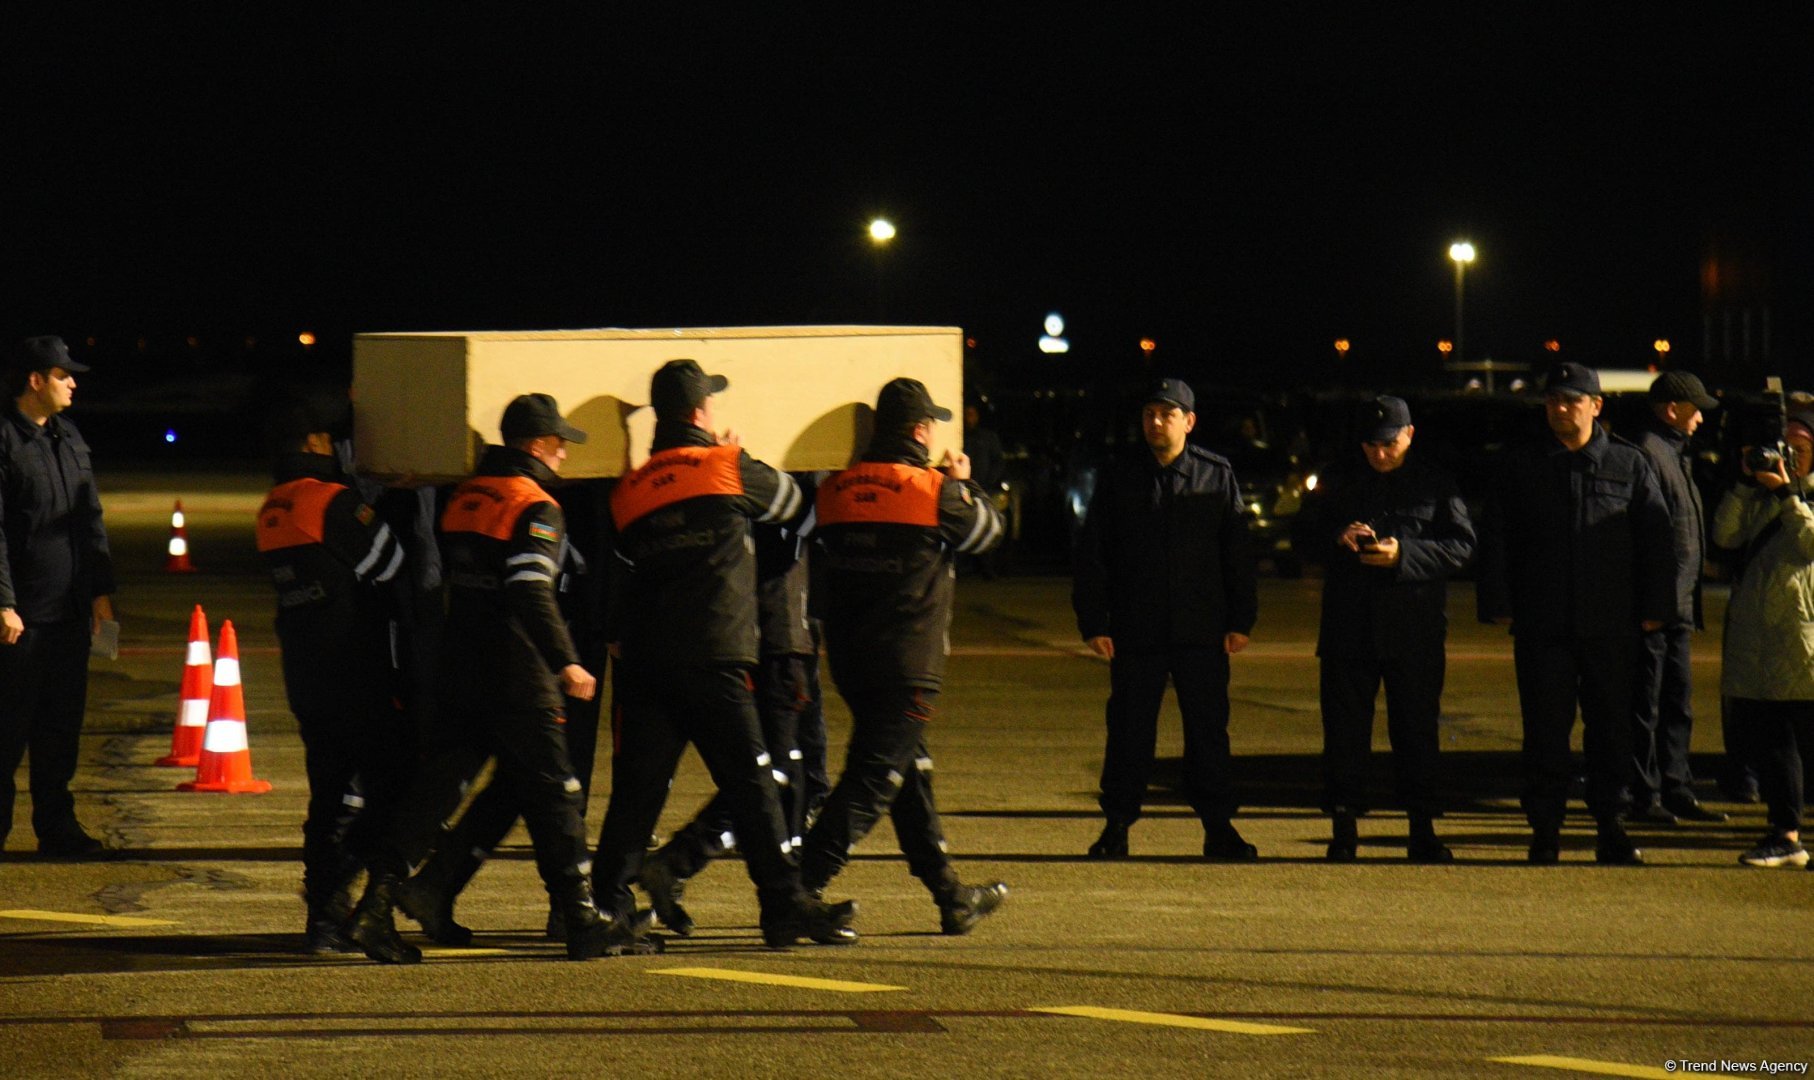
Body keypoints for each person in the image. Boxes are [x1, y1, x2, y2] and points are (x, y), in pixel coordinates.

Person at [346, 394, 647, 963]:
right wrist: (567, 661)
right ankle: (582, 919)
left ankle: (376, 908)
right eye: (557, 443)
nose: (563, 454)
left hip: (460, 671)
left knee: (432, 799)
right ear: (536, 445)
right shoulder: (535, 507)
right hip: (516, 676)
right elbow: (530, 590)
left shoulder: (466, 497)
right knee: (558, 795)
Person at [590, 360, 855, 949]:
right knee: (753, 784)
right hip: (715, 654)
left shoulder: (629, 489)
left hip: (648, 660)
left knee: (638, 792)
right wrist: (738, 458)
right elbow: (800, 510)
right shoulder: (726, 467)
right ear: (701, 412)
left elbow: (627, 558)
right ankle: (783, 905)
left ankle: (608, 905)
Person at [795, 378, 1008, 935]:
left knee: (908, 772)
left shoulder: (836, 487)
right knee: (872, 780)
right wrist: (965, 486)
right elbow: (989, 533)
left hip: (850, 657)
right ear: (920, 430)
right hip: (907, 662)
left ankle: (949, 894)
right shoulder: (931, 490)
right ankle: (798, 890)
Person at [1477, 362, 1674, 865]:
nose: (1560, 410)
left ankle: (1612, 826)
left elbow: (1656, 540)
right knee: (1545, 730)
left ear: (1595, 406)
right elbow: (1499, 537)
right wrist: (1498, 603)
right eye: (1553, 401)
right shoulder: (1522, 464)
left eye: (1570, 400)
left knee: (1612, 730)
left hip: (1612, 625)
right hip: (1544, 625)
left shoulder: (1628, 464)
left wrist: (1656, 609)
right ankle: (1546, 830)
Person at [1072, 377, 1260, 861]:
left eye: (1167, 414)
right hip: (1138, 628)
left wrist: (1242, 618)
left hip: (1202, 629)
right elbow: (1095, 552)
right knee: (1130, 732)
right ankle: (1116, 826)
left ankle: (1219, 828)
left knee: (1208, 732)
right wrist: (1095, 620)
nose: (1156, 422)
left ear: (1189, 422)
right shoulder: (1120, 476)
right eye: (1150, 414)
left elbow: (1237, 551)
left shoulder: (1216, 475)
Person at [254, 392, 410, 951]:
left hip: (307, 673)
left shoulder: (274, 506)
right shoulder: (332, 504)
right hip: (357, 670)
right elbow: (393, 569)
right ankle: (349, 899)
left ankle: (323, 920)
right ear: (316, 442)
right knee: (388, 793)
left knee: (331, 796)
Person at [637, 486, 821, 937]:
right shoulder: (760, 483)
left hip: (789, 635)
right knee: (770, 776)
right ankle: (685, 863)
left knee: (800, 779)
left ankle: (786, 899)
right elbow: (808, 520)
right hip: (775, 636)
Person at [1309, 396, 1475, 862]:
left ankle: (1421, 829)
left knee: (1417, 733)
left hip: (1413, 629)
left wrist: (1405, 555)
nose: (1379, 454)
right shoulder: (1340, 480)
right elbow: (1302, 534)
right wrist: (1337, 536)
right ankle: (1344, 829)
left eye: (1388, 444)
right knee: (1344, 734)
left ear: (1408, 436)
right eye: (1370, 445)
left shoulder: (1434, 484)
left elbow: (1461, 546)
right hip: (1349, 628)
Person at [0, 335, 116, 858]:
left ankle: (58, 828)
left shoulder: (68, 437)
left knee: (59, 731)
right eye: (62, 374)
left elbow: (89, 520)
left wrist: (100, 591)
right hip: (20, 619)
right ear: (34, 380)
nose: (72, 382)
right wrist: (3, 601)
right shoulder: (5, 439)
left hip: (68, 614)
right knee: (7, 732)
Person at [1711, 409, 1814, 869]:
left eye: (1800, 450)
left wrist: (1790, 495)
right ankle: (1785, 833)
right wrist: (1745, 482)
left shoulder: (1796, 497)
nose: (1788, 457)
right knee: (1774, 742)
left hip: (1804, 637)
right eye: (1784, 448)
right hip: (1761, 638)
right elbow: (1726, 535)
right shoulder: (1761, 496)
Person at [1625, 372, 1728, 825]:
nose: (1702, 417)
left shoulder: (1670, 453)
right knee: (1647, 705)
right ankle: (1645, 795)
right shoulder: (1650, 452)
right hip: (1656, 610)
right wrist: (1652, 605)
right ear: (1672, 410)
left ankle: (1675, 786)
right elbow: (1646, 536)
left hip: (1676, 606)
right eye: (1695, 408)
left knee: (1676, 704)